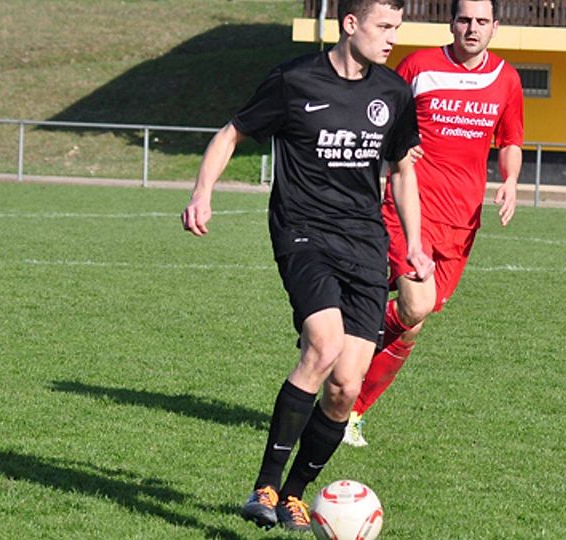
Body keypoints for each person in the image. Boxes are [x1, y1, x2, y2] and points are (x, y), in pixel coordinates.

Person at [181, 0, 434, 532]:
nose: (392, 38)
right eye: (384, 27)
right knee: (322, 346)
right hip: (304, 234)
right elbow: (232, 132)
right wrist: (203, 192)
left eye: (397, 28)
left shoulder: (392, 92)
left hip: (365, 244)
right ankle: (265, 487)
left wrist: (413, 241)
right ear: (351, 24)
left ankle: (295, 494)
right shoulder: (295, 81)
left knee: (345, 386)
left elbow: (403, 171)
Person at [343, 0, 523, 447]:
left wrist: (512, 181)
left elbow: (512, 139)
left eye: (482, 21)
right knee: (416, 306)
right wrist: (395, 144)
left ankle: (352, 407)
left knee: (413, 319)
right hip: (410, 210)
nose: (472, 28)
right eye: (465, 19)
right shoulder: (418, 66)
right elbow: (377, 110)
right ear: (452, 23)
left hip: (463, 222)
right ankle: (344, 339)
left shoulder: (507, 79)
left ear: (495, 28)